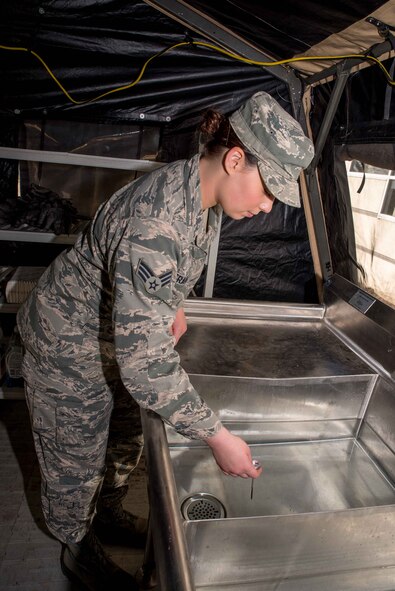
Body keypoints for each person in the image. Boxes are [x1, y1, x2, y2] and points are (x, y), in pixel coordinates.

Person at [17, 91, 314, 590]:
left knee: (126, 441)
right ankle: (77, 546)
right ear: (235, 159)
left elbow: (171, 266)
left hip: (113, 333)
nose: (267, 207)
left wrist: (172, 301)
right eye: (269, 190)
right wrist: (219, 437)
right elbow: (144, 364)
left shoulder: (198, 191)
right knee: (76, 460)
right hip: (69, 343)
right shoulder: (154, 222)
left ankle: (107, 517)